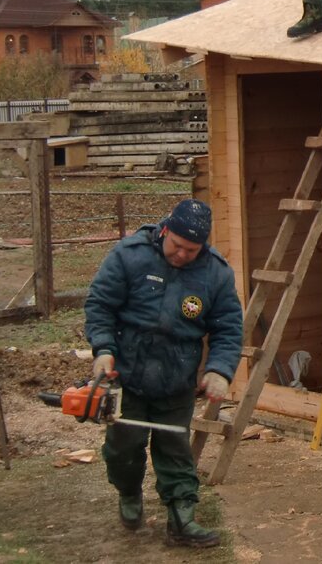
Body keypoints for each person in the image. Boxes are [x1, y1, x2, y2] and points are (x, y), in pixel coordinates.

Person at [84, 199, 243, 548]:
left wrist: (219, 370)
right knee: (123, 448)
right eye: (178, 246)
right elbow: (100, 305)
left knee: (175, 449)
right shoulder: (129, 255)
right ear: (166, 230)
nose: (184, 255)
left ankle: (182, 518)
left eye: (192, 250)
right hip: (127, 375)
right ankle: (128, 492)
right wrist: (104, 350)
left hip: (177, 377)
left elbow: (229, 327)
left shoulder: (216, 273)